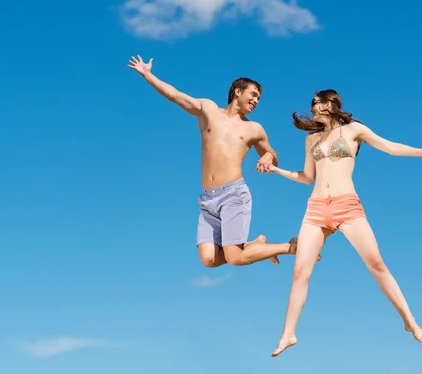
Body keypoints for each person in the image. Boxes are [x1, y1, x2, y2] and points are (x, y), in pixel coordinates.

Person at [263, 89, 422, 357]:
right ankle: (288, 334)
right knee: (301, 272)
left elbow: (390, 147)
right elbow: (306, 177)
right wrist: (276, 170)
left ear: (328, 104)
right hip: (315, 209)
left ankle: (409, 320)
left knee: (377, 264)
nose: (311, 107)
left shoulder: (353, 130)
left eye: (315, 102)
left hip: (347, 205)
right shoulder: (311, 138)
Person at [127, 54, 299, 267]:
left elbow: (273, 154)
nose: (256, 101)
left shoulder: (254, 128)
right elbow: (176, 96)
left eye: (259, 99)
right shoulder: (208, 110)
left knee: (235, 259)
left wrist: (267, 155)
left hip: (234, 195)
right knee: (209, 259)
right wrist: (147, 75)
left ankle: (288, 247)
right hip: (208, 199)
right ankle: (258, 244)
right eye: (253, 95)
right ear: (237, 92)